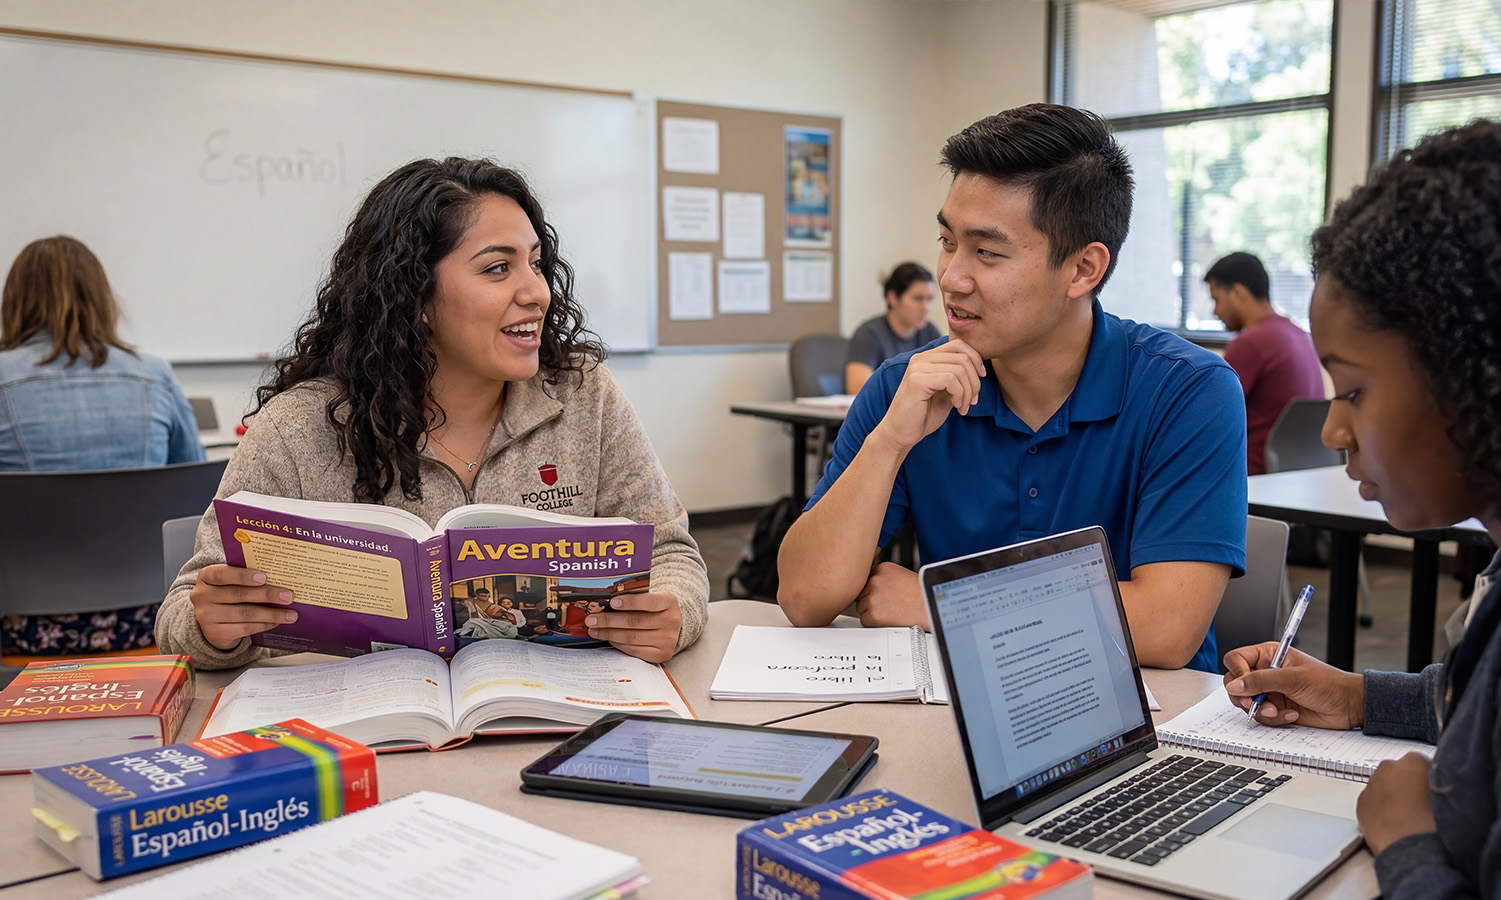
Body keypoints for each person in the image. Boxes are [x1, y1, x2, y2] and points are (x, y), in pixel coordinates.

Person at [1220, 118, 1501, 898]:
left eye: (1353, 390)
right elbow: (1495, 713)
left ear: (1481, 376)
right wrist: (1356, 696)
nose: (1332, 429)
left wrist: (1408, 840)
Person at [156, 157, 708, 667]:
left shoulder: (587, 397)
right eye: (497, 269)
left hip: (552, 714)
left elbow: (670, 551)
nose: (536, 292)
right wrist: (216, 627)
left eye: (536, 265)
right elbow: (184, 612)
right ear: (414, 297)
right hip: (366, 735)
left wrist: (673, 611)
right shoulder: (298, 427)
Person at [777, 104, 1246, 671]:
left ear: (1082, 270)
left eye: (988, 252)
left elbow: (1166, 629)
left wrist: (939, 602)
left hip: (1151, 730)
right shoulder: (908, 387)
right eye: (947, 241)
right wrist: (888, 443)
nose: (950, 278)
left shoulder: (1189, 392)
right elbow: (804, 598)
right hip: (966, 714)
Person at [0, 235, 205, 658]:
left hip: (21, 623)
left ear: (13, 301)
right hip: (149, 618)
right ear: (101, 298)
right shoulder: (155, 374)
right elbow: (195, 490)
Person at [1204, 251, 1325, 474]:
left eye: (1217, 299)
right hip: (1302, 477)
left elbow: (1208, 417)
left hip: (1255, 477)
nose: (1215, 311)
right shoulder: (1301, 336)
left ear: (1238, 292)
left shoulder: (1251, 343)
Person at [843, 262, 941, 394]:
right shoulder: (869, 334)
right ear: (893, 298)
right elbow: (857, 388)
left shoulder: (929, 332)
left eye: (929, 299)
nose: (926, 308)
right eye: (918, 299)